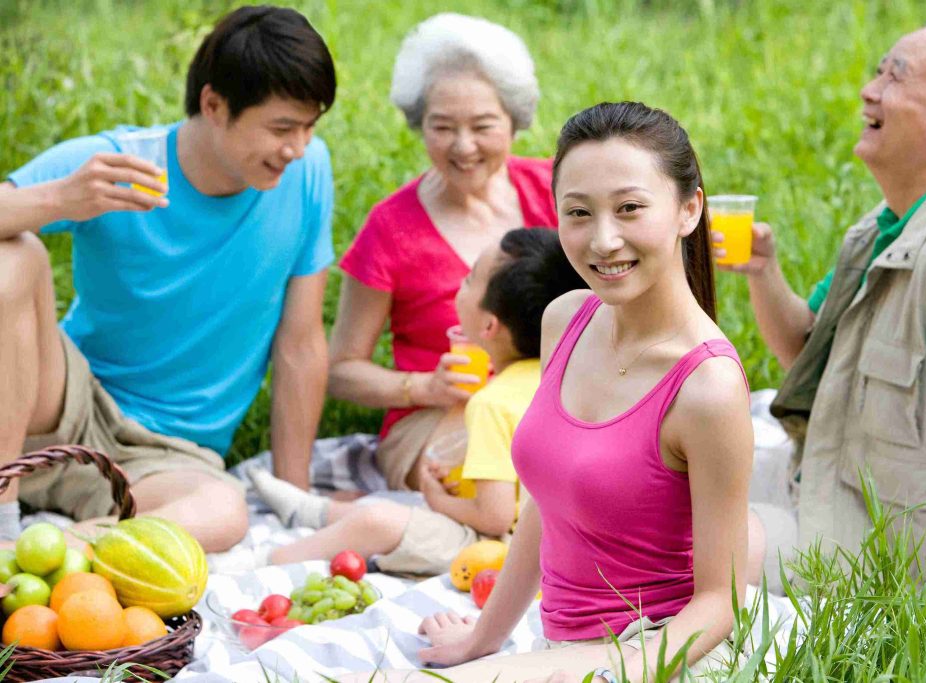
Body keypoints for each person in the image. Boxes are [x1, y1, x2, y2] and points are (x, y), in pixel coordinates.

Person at [342, 102, 754, 683]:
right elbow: (550, 503)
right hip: (566, 647)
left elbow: (720, 601)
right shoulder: (566, 319)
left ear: (689, 209)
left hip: (658, 652)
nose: (604, 240)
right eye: (578, 213)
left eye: (630, 208)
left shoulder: (707, 386)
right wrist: (485, 638)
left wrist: (613, 670)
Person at [0, 6, 337, 551]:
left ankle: (49, 555)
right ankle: (2, 514)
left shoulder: (307, 174)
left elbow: (300, 344)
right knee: (13, 255)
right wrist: (60, 200)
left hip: (166, 460)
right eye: (281, 128)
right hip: (62, 409)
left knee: (224, 513)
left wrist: (293, 490)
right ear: (213, 105)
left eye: (308, 127)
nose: (296, 148)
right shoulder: (119, 165)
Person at [720, 16, 926, 597]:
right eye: (879, 70)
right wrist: (764, 273)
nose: (870, 88)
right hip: (822, 485)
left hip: (878, 557)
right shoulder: (890, 227)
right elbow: (803, 352)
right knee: (666, 476)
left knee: (681, 540)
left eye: (895, 75)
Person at [252, 229, 587, 575]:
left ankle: (264, 561)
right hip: (570, 541)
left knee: (379, 521)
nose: (462, 283)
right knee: (403, 513)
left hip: (513, 552)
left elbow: (494, 516)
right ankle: (312, 511)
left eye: (470, 279)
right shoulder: (564, 377)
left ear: (489, 326)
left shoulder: (491, 404)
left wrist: (437, 498)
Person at [328, 13, 556, 496]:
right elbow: (341, 371)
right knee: (496, 472)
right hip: (438, 423)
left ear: (514, 120)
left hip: (553, 401)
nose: (464, 146)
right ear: (419, 124)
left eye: (483, 126)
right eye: (443, 127)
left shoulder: (558, 192)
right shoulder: (390, 227)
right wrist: (422, 388)